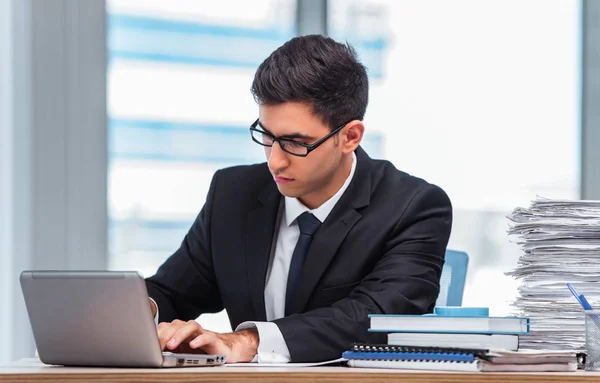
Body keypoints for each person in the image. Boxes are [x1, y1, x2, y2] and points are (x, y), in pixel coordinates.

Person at [145, 34, 452, 364]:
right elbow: (172, 292)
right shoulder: (233, 193)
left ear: (350, 137)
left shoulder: (414, 206)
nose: (275, 161)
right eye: (267, 136)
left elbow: (375, 317)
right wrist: (140, 315)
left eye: (296, 142)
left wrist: (247, 341)